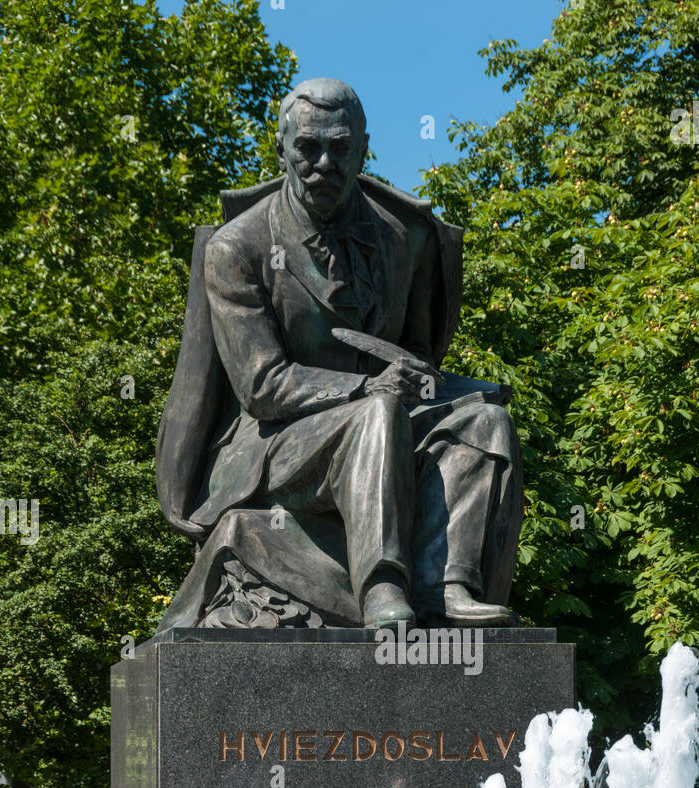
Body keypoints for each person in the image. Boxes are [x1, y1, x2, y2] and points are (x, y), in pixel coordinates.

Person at [156, 78, 524, 633]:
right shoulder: (237, 247)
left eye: (340, 147)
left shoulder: (406, 239)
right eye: (307, 147)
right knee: (373, 414)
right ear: (280, 148)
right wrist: (365, 391)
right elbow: (262, 386)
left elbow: (419, 351)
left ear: (364, 148)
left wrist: (431, 386)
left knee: (485, 422)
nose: (323, 162)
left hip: (388, 417)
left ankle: (447, 581)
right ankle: (381, 585)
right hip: (277, 442)